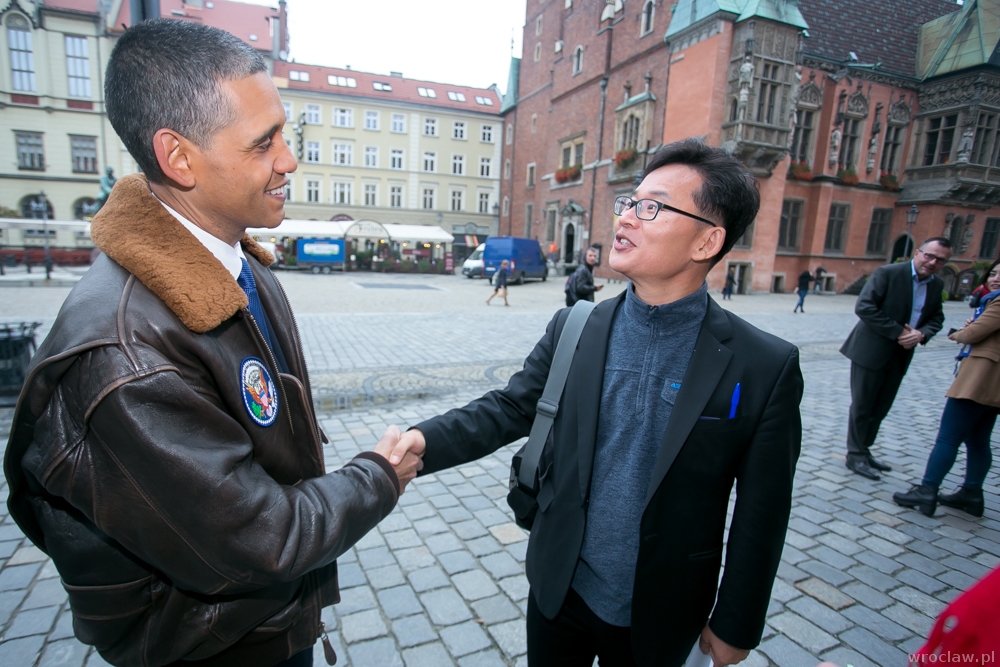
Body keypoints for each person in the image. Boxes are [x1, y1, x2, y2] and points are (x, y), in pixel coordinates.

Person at [3, 20, 421, 667]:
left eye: (286, 132)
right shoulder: (126, 355)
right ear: (178, 157)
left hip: (267, 626)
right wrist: (377, 476)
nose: (289, 160)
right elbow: (263, 539)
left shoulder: (239, 262)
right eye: (264, 143)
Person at [386, 139, 803, 667]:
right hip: (561, 588)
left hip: (663, 607)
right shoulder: (576, 325)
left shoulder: (762, 364)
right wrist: (423, 441)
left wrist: (736, 621)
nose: (626, 217)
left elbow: (762, 512)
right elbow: (511, 407)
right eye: (629, 202)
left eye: (652, 208)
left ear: (707, 241)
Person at [893, 259, 1000, 517]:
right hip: (994, 385)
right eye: (994, 273)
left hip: (979, 379)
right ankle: (972, 493)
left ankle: (927, 490)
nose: (995, 279)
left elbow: (973, 335)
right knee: (978, 440)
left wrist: (959, 332)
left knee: (949, 437)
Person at [840, 238, 953, 480]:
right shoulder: (888, 273)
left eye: (940, 259)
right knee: (863, 406)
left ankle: (864, 450)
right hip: (870, 351)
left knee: (881, 408)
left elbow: (936, 318)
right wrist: (899, 332)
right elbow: (865, 307)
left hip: (901, 354)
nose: (933, 262)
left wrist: (922, 334)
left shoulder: (935, 285)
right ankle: (855, 455)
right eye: (929, 256)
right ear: (917, 252)